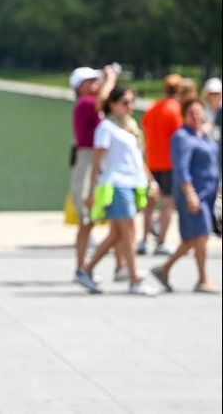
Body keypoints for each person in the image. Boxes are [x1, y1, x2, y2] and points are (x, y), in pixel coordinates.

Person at [75, 86, 158, 295]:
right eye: (125, 102)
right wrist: (92, 191)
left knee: (117, 235)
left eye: (132, 102)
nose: (130, 106)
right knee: (127, 232)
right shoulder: (106, 127)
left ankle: (86, 270)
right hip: (116, 184)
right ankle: (135, 278)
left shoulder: (129, 126)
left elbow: (138, 159)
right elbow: (97, 162)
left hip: (133, 184)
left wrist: (151, 181)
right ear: (112, 104)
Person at [150, 100, 220, 293]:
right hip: (193, 193)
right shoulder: (181, 137)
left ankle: (164, 269)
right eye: (192, 112)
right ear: (184, 115)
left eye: (199, 112)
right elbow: (181, 168)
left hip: (209, 193)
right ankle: (203, 279)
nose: (196, 116)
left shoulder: (204, 135)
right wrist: (190, 193)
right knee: (201, 234)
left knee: (194, 237)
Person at [68, 65, 120, 277]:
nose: (97, 83)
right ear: (80, 86)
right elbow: (103, 99)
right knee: (87, 219)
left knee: (119, 219)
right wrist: (111, 79)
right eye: (92, 81)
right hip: (88, 160)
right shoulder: (85, 103)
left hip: (101, 160)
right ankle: (81, 267)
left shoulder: (94, 105)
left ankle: (122, 265)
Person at [139, 74, 184, 255]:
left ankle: (143, 241)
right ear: (179, 90)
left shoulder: (153, 108)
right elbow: (180, 138)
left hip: (152, 161)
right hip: (169, 162)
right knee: (168, 203)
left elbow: (144, 131)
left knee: (150, 202)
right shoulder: (176, 109)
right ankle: (161, 241)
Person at [203, 77, 222, 144]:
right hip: (206, 143)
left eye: (217, 93)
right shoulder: (201, 108)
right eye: (212, 93)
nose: (214, 96)